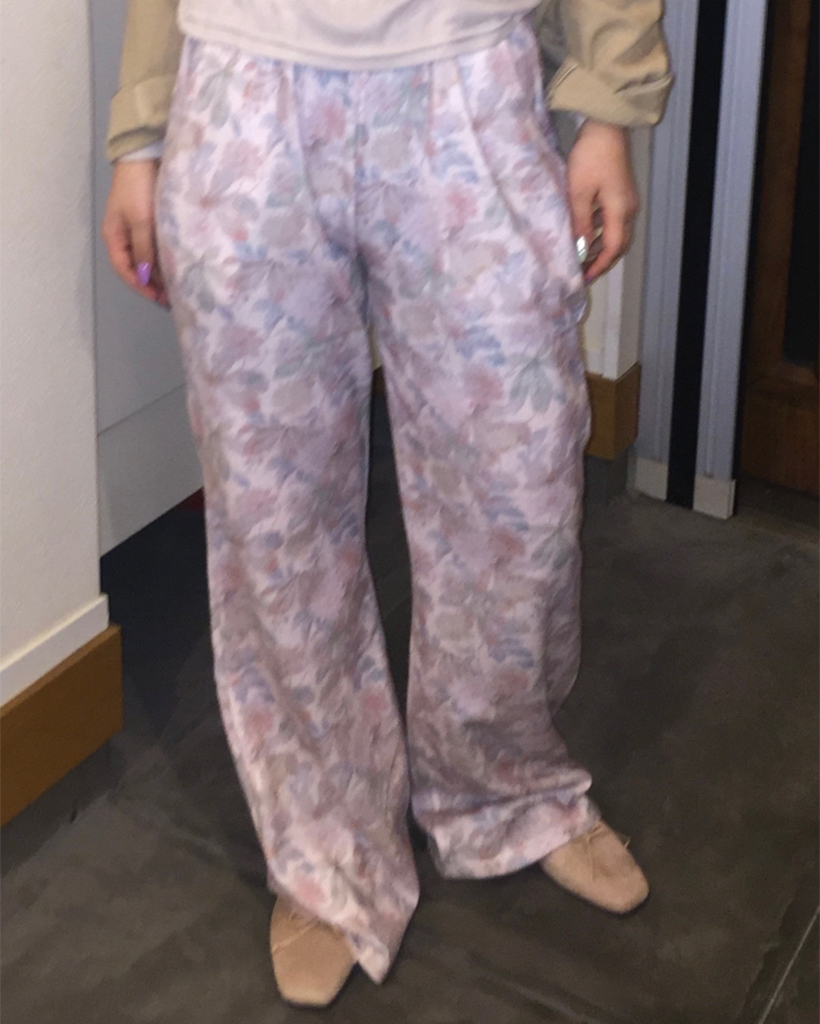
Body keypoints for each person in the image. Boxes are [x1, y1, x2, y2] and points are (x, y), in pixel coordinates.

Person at [103, 0, 671, 1008]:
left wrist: (610, 104)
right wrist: (140, 130)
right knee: (275, 514)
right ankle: (328, 851)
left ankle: (504, 785)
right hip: (245, 90)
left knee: (517, 483)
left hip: (468, 79)